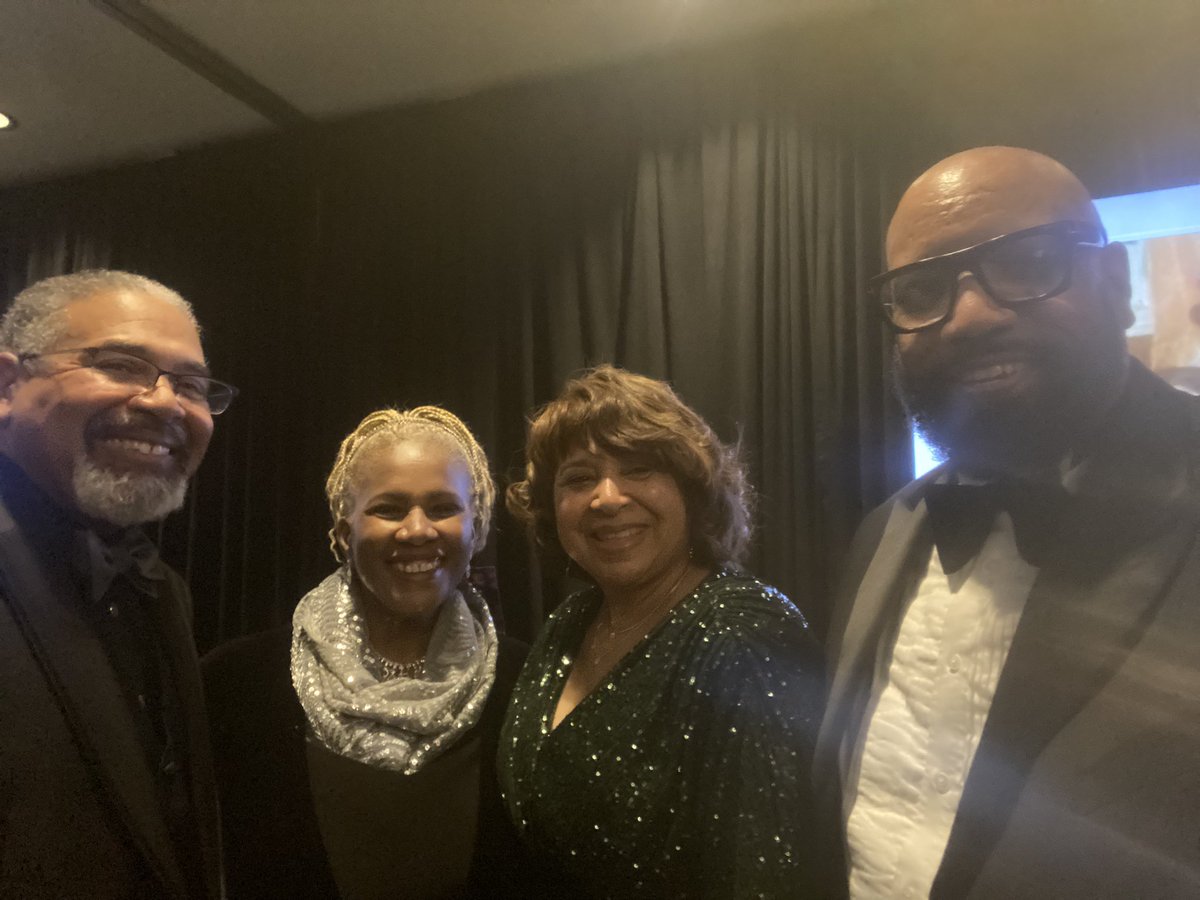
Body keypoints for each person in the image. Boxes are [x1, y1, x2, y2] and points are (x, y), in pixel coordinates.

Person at [815, 146, 1200, 898]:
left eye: (1027, 264)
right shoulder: (885, 530)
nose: (969, 316)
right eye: (922, 289)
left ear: (1116, 284)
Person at [500, 365, 829, 898]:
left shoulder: (744, 639)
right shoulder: (572, 621)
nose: (607, 497)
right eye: (579, 478)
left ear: (691, 487)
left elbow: (767, 879)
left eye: (639, 469)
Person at [203, 406, 528, 899]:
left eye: (442, 508)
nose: (417, 529)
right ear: (342, 532)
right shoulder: (233, 685)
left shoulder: (531, 684)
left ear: (475, 528)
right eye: (389, 508)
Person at [0, 270, 235, 899]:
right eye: (121, 364)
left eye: (190, 384)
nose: (164, 403)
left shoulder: (162, 589)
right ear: (7, 385)